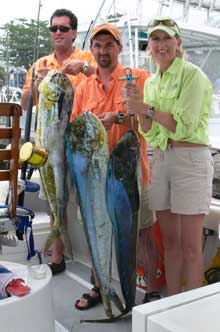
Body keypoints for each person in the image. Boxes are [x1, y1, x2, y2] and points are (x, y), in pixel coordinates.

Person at [70, 23, 160, 310]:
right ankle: (99, 287)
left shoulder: (140, 78)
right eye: (97, 45)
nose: (102, 50)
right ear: (91, 50)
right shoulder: (83, 86)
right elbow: (75, 128)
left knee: (143, 232)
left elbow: (148, 122)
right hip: (93, 176)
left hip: (131, 173)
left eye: (109, 45)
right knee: (94, 230)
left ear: (119, 48)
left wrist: (119, 119)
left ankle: (152, 291)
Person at [123, 16, 214, 296]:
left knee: (190, 246)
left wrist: (146, 109)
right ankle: (172, 302)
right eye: (155, 39)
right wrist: (138, 110)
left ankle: (191, 312)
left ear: (178, 42)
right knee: (171, 244)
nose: (160, 45)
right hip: (161, 160)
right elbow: (150, 133)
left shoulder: (192, 75)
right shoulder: (151, 83)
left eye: (166, 38)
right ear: (149, 46)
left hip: (191, 161)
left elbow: (183, 126)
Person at [21, 8, 96, 275]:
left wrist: (84, 68)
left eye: (63, 29)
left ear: (74, 33)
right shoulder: (41, 65)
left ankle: (96, 267)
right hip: (49, 145)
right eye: (54, 28)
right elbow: (24, 104)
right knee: (54, 200)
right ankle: (57, 256)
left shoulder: (86, 58)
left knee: (87, 205)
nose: (58, 33)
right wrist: (34, 85)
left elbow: (103, 75)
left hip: (80, 146)